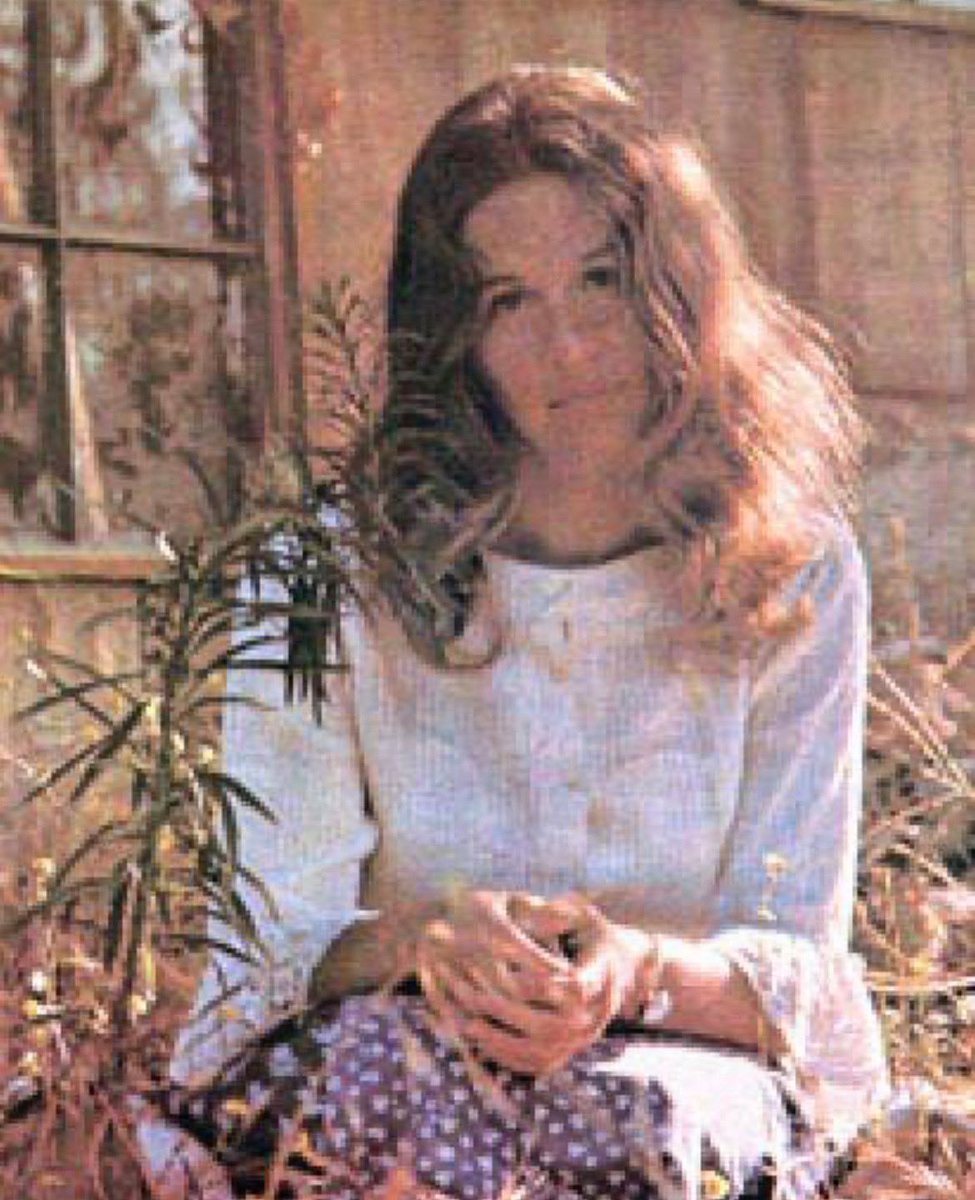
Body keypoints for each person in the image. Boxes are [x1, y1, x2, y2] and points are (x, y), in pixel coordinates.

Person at [156, 65, 889, 1200]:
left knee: (650, 1122)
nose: (572, 347)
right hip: (393, 1065)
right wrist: (419, 948)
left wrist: (634, 973)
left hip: (677, 1081)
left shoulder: (793, 569)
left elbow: (795, 962)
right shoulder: (324, 572)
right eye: (508, 302)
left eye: (601, 280)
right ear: (452, 339)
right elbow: (267, 946)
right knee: (379, 1089)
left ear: (679, 292)